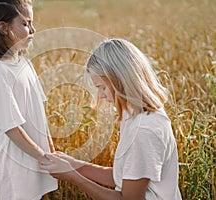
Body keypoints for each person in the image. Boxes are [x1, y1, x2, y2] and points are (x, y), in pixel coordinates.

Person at [40, 38, 182, 199]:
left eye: (102, 87)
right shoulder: (136, 115)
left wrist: (72, 176)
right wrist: (76, 165)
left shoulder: (143, 131)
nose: (100, 95)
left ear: (120, 81)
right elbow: (124, 176)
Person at [0, 0, 57, 199]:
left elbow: (39, 112)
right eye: (25, 23)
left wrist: (51, 152)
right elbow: (11, 127)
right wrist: (43, 156)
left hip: (35, 156)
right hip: (15, 163)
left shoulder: (24, 64)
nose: (33, 29)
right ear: (3, 28)